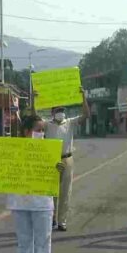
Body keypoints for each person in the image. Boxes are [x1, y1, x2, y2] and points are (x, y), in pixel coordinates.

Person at [0, 115, 63, 253]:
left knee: (43, 241)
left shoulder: (49, 150)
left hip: (42, 202)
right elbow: (2, 169)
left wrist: (59, 169)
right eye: (38, 129)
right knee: (24, 241)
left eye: (43, 130)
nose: (41, 133)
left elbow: (58, 176)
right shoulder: (13, 149)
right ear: (27, 131)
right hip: (20, 201)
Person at [45, 97, 90, 232]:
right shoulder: (47, 124)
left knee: (65, 192)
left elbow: (86, 115)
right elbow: (34, 118)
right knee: (51, 192)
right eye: (58, 110)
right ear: (52, 112)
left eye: (62, 110)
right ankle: (52, 218)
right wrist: (35, 101)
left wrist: (83, 97)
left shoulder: (70, 122)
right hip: (52, 160)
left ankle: (62, 221)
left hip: (67, 159)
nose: (61, 112)